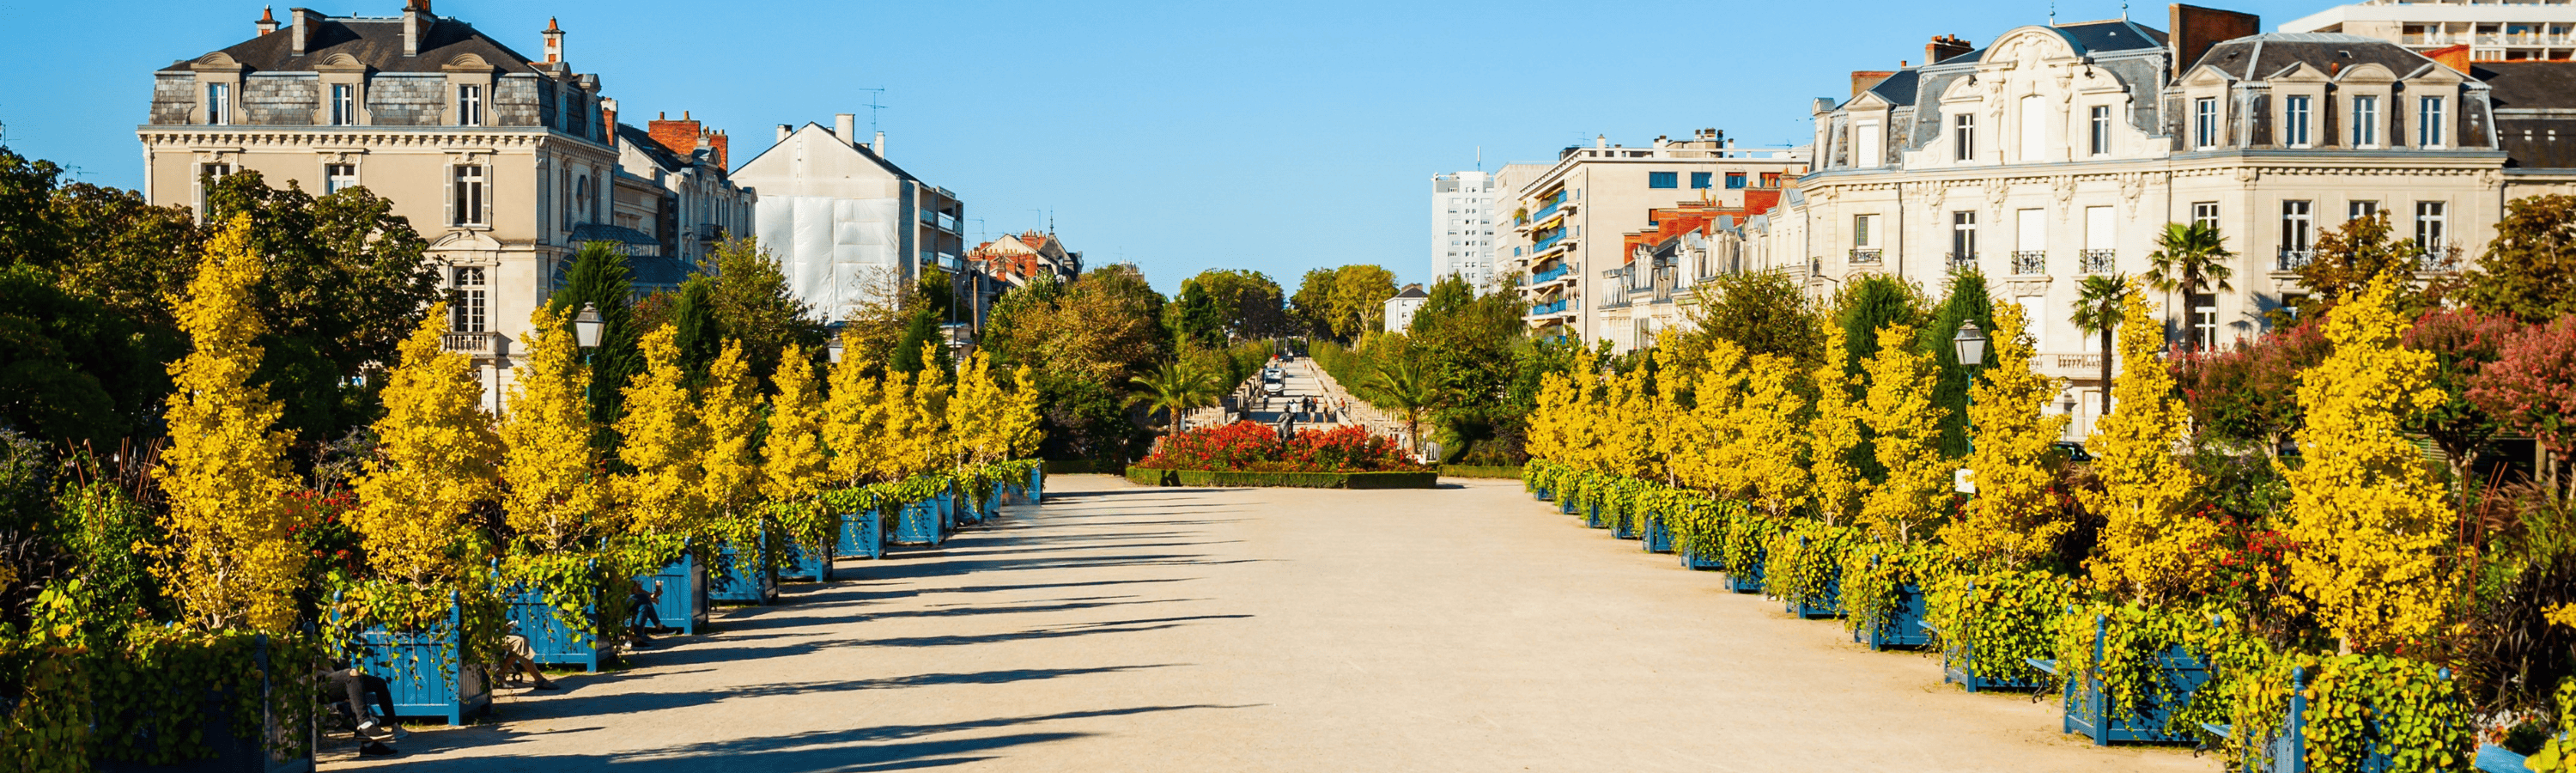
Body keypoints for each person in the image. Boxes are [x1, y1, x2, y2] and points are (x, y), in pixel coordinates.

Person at [319, 665, 404, 756]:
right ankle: (365, 724)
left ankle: (393, 728)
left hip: (328, 677)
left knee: (379, 683)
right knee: (352, 675)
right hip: (315, 683)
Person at [499, 622, 560, 690]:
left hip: (495, 636)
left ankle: (499, 674)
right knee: (519, 642)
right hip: (488, 638)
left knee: (524, 639)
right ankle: (539, 679)